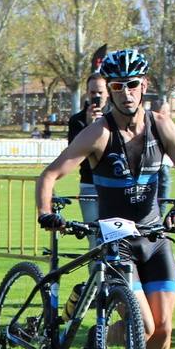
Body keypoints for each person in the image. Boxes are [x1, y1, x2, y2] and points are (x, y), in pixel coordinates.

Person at [36, 48, 175, 349]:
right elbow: (49, 175)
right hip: (116, 243)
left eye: (132, 85)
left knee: (164, 330)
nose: (126, 93)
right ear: (108, 90)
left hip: (155, 238)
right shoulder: (98, 133)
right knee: (142, 325)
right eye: (117, 86)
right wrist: (46, 212)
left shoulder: (162, 126)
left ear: (144, 86)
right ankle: (98, 340)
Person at [67, 73, 110, 235]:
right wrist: (89, 126)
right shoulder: (77, 120)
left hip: (114, 185)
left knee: (116, 239)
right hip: (89, 184)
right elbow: (74, 154)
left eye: (100, 92)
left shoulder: (116, 119)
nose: (97, 96)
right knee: (94, 237)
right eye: (93, 93)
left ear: (108, 92)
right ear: (87, 92)